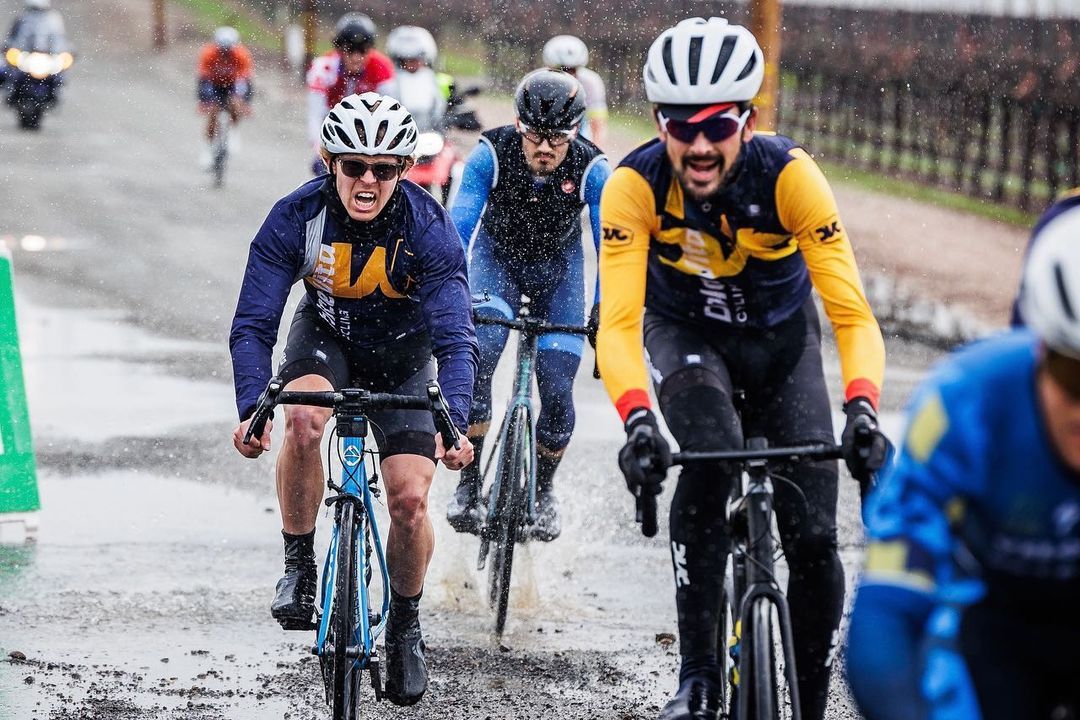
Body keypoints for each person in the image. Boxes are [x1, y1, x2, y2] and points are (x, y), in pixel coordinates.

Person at [596, 16, 888, 720]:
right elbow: (620, 324)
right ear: (659, 122)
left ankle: (811, 703)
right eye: (680, 125)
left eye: (717, 125)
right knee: (706, 461)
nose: (698, 144)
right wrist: (637, 420)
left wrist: (862, 408)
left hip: (782, 348)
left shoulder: (790, 177)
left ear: (747, 121)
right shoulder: (633, 187)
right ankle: (696, 677)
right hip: (687, 340)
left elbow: (850, 312)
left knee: (814, 537)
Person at [229, 92, 477, 706]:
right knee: (305, 420)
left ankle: (405, 623)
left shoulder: (427, 228)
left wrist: (458, 420)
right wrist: (249, 408)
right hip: (326, 340)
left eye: (385, 168)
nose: (368, 180)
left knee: (411, 501)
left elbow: (455, 336)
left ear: (403, 169)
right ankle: (299, 562)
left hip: (404, 354)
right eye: (354, 166)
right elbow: (254, 324)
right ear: (329, 160)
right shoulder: (296, 217)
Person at [846, 201, 1080, 720]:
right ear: (1039, 349)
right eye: (1074, 375)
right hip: (997, 632)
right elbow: (883, 620)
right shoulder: (967, 402)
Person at [444, 68, 611, 542]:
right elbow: (457, 232)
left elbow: (610, 250)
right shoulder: (490, 155)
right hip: (496, 263)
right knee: (483, 349)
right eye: (534, 136)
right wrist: (446, 297)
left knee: (558, 384)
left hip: (558, 273)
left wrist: (603, 314)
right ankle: (469, 483)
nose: (543, 149)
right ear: (518, 125)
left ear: (574, 133)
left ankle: (543, 492)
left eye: (556, 139)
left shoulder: (593, 169)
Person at [306, 13, 395, 174]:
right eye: (350, 49)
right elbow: (315, 115)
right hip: (332, 126)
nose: (356, 57)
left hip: (368, 128)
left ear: (371, 50)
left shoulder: (382, 68)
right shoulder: (323, 68)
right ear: (340, 49)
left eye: (362, 50)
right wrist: (320, 151)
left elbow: (391, 114)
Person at [196, 26, 253, 166]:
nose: (225, 54)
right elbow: (203, 80)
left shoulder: (241, 55)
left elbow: (246, 81)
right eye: (222, 51)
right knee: (213, 112)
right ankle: (208, 149)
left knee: (235, 103)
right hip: (214, 84)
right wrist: (204, 101)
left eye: (228, 51)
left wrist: (245, 102)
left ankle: (233, 131)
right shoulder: (208, 54)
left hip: (233, 84)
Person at [542, 34, 607, 147]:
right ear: (550, 67)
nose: (567, 75)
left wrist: (595, 151)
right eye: (562, 69)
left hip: (578, 133)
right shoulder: (539, 80)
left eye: (572, 70)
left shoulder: (591, 82)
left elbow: (598, 125)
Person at [377, 25, 445, 133]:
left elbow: (440, 111)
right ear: (400, 60)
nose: (413, 64)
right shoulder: (389, 84)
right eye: (408, 60)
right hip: (398, 137)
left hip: (429, 137)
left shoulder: (431, 79)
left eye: (417, 59)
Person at [2, 0, 68, 90]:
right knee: (6, 73)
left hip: (47, 60)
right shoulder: (22, 19)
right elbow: (13, 39)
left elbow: (60, 40)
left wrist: (63, 52)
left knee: (59, 76)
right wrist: (11, 50)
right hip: (26, 60)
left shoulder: (54, 20)